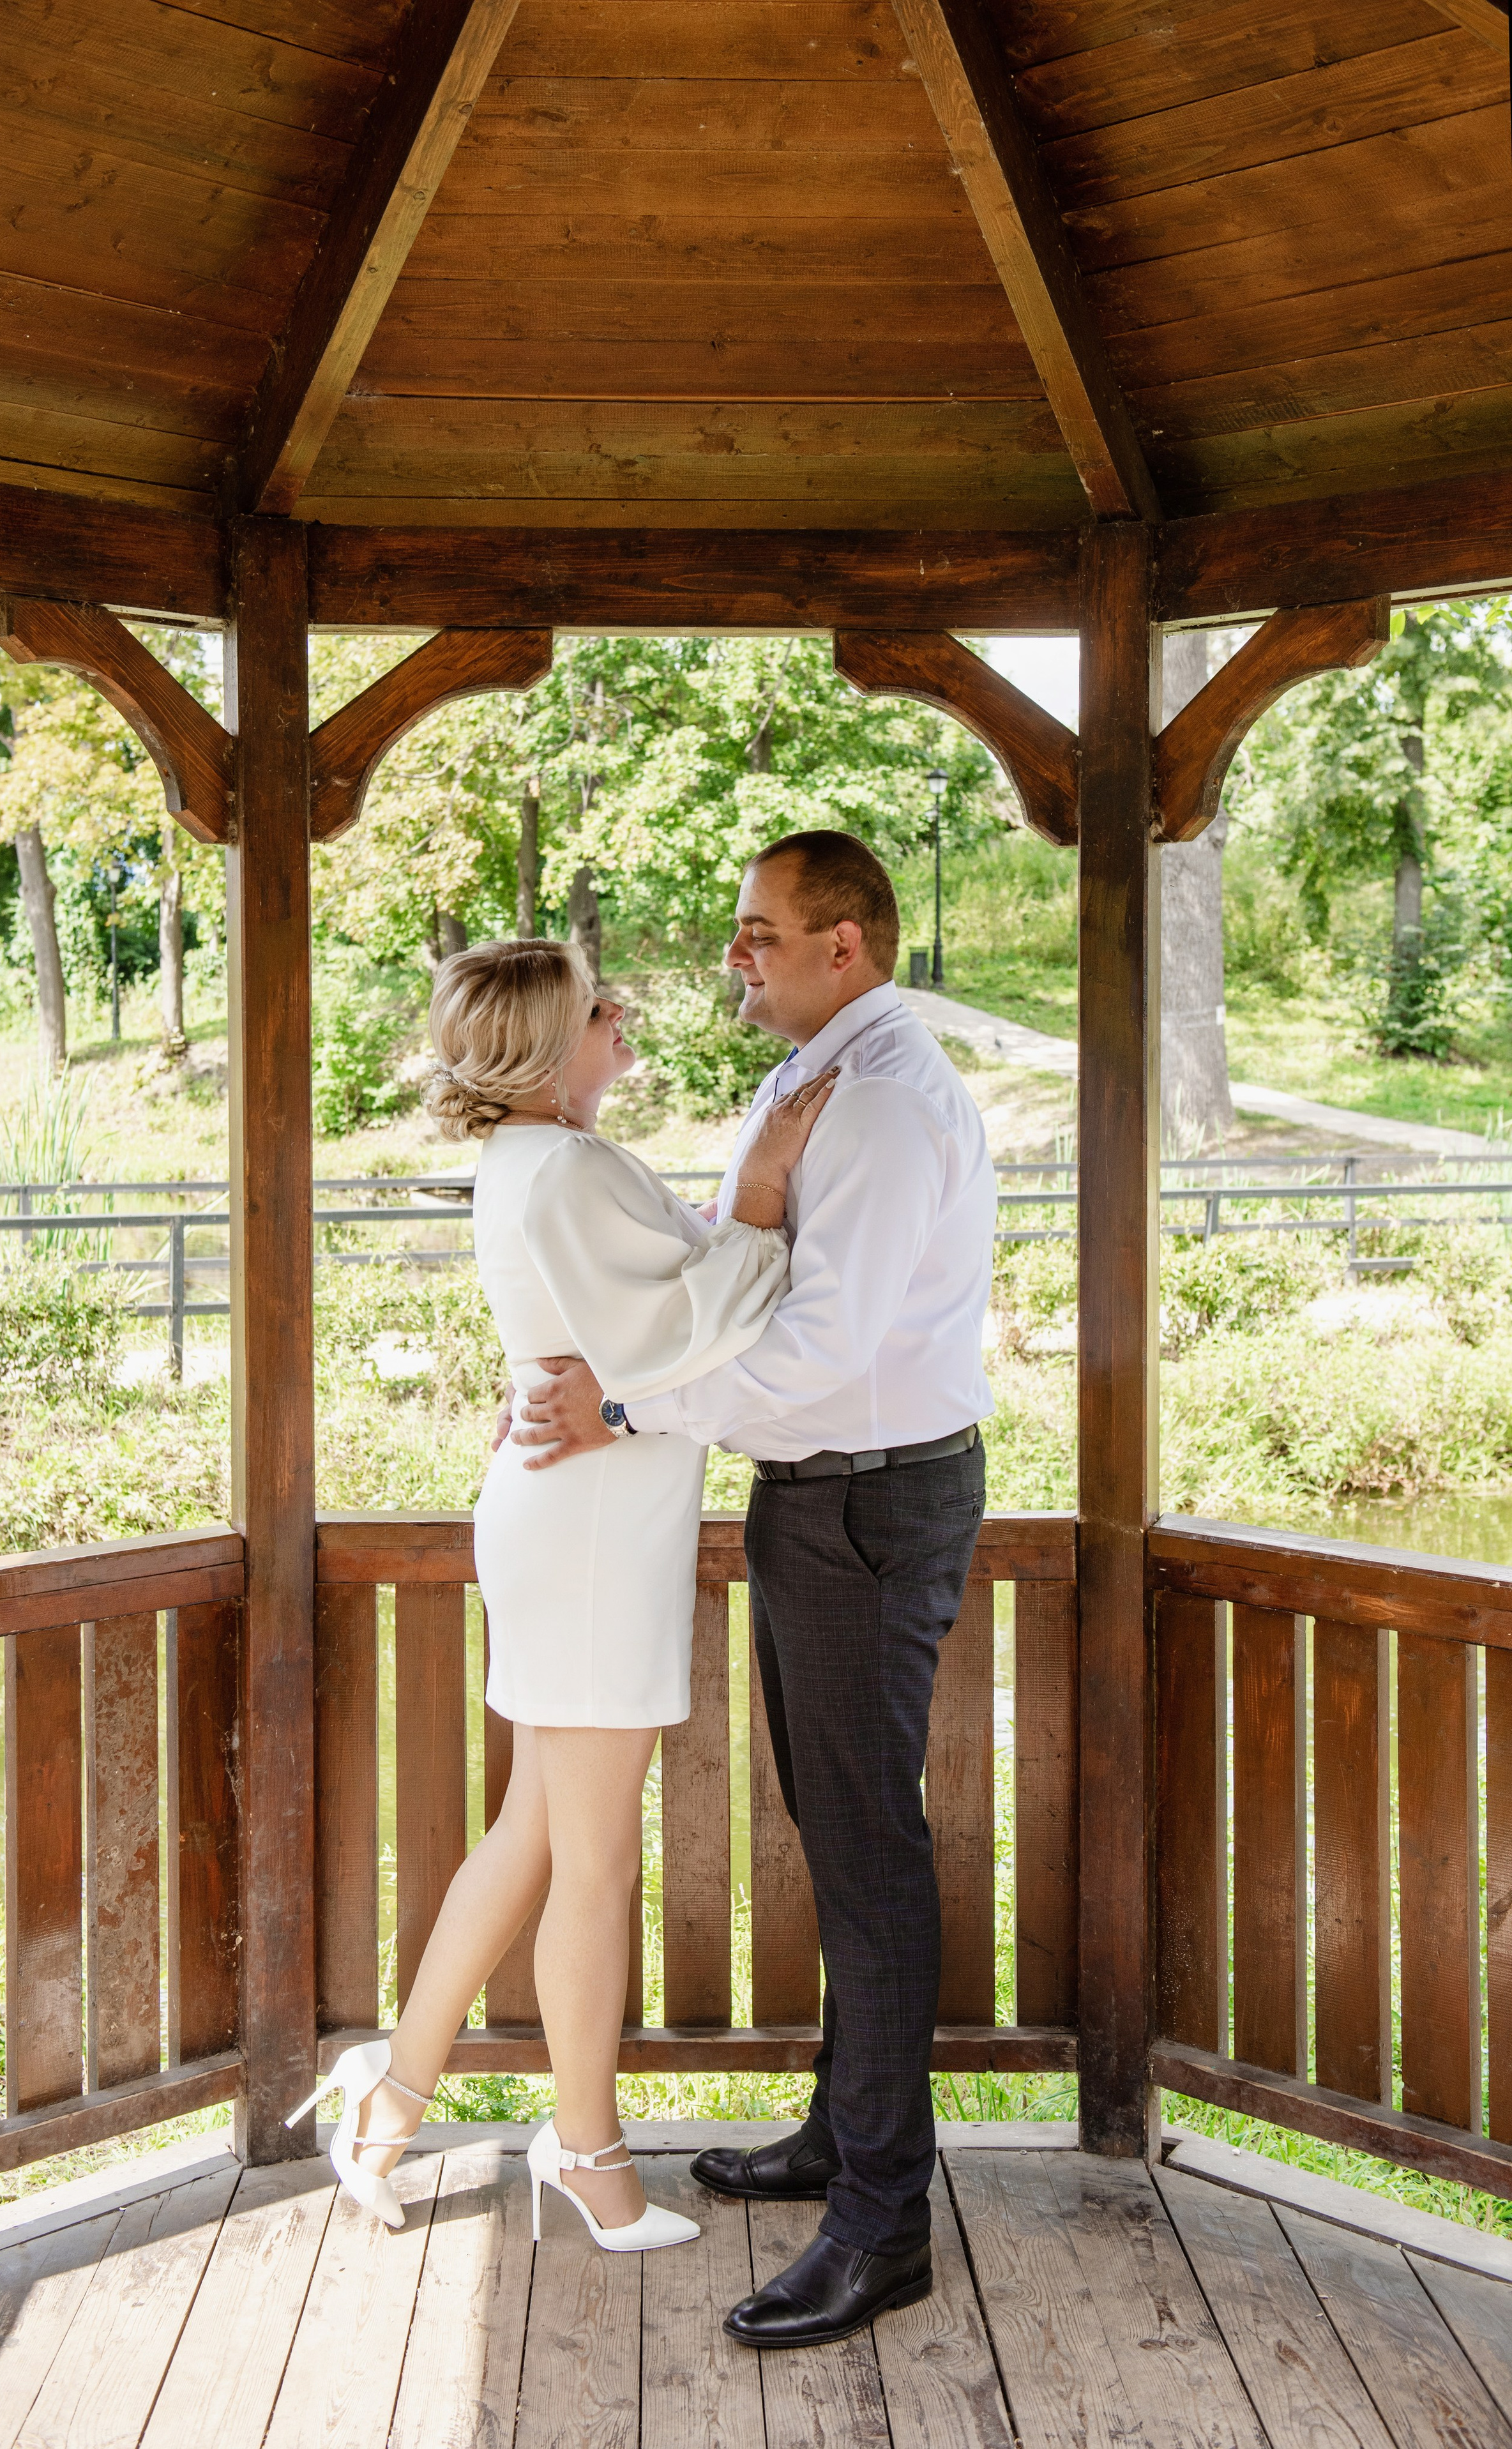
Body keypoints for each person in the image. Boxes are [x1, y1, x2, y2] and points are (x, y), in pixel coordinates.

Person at [507, 831, 995, 2347]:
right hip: (823, 1498)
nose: (735, 953)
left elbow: (821, 1347)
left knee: (867, 1856)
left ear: (845, 944)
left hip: (863, 1497)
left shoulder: (885, 1104)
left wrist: (628, 1409)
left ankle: (881, 2223)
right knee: (843, 1837)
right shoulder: (817, 1080)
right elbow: (750, 1281)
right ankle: (842, 2141)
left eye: (760, 932)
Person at [288, 937, 836, 2254]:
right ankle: (585, 2149)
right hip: (590, 1530)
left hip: (573, 1518)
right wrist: (763, 1194)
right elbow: (675, 1328)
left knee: (531, 1835)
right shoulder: (568, 1168)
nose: (621, 1014)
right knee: (593, 1860)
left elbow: (613, 1325)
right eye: (598, 1006)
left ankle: (391, 2091)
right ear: (546, 1047)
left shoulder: (529, 1162)